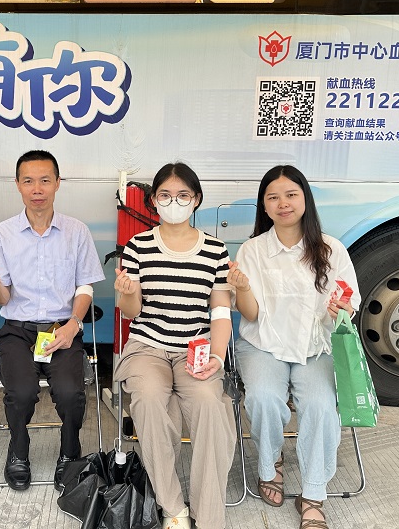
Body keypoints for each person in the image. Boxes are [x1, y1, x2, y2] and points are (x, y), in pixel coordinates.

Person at [227, 165, 361, 529]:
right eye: (273, 197)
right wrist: (242, 287)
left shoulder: (331, 248)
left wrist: (341, 309)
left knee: (320, 407)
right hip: (263, 346)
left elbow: (349, 304)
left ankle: (314, 492)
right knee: (263, 398)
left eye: (290, 195)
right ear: (264, 206)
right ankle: (271, 464)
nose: (282, 203)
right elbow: (250, 315)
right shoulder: (253, 250)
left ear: (305, 199)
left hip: (315, 348)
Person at [113, 162, 236, 529]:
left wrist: (217, 357)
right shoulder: (138, 246)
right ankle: (173, 506)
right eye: (165, 195)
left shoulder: (215, 249)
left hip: (194, 349)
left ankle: (208, 515)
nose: (174, 202)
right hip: (147, 347)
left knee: (211, 406)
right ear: (153, 200)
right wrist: (127, 293)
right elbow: (131, 312)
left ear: (196, 199)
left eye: (183, 195)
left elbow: (220, 311)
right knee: (150, 400)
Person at [0, 150, 105, 492]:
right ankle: (18, 450)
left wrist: (73, 324)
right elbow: (3, 297)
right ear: (17, 185)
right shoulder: (3, 234)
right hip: (18, 332)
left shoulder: (76, 231)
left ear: (58, 183)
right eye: (29, 181)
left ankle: (69, 451)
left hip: (63, 329)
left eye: (45, 180)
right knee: (20, 392)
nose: (37, 189)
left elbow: (85, 286)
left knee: (70, 393)